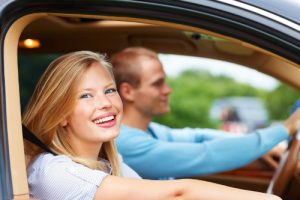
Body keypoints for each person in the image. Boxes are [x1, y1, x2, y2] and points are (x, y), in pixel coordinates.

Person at [22, 51, 283, 200]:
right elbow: (178, 193)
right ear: (61, 114)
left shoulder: (112, 162)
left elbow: (195, 138)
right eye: (86, 95)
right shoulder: (56, 174)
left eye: (109, 90)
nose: (106, 103)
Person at [111, 47, 298, 179]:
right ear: (128, 91)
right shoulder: (124, 142)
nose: (167, 90)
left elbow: (199, 137)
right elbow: (205, 154)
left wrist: (262, 146)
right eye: (157, 83)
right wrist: (284, 129)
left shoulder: (150, 131)